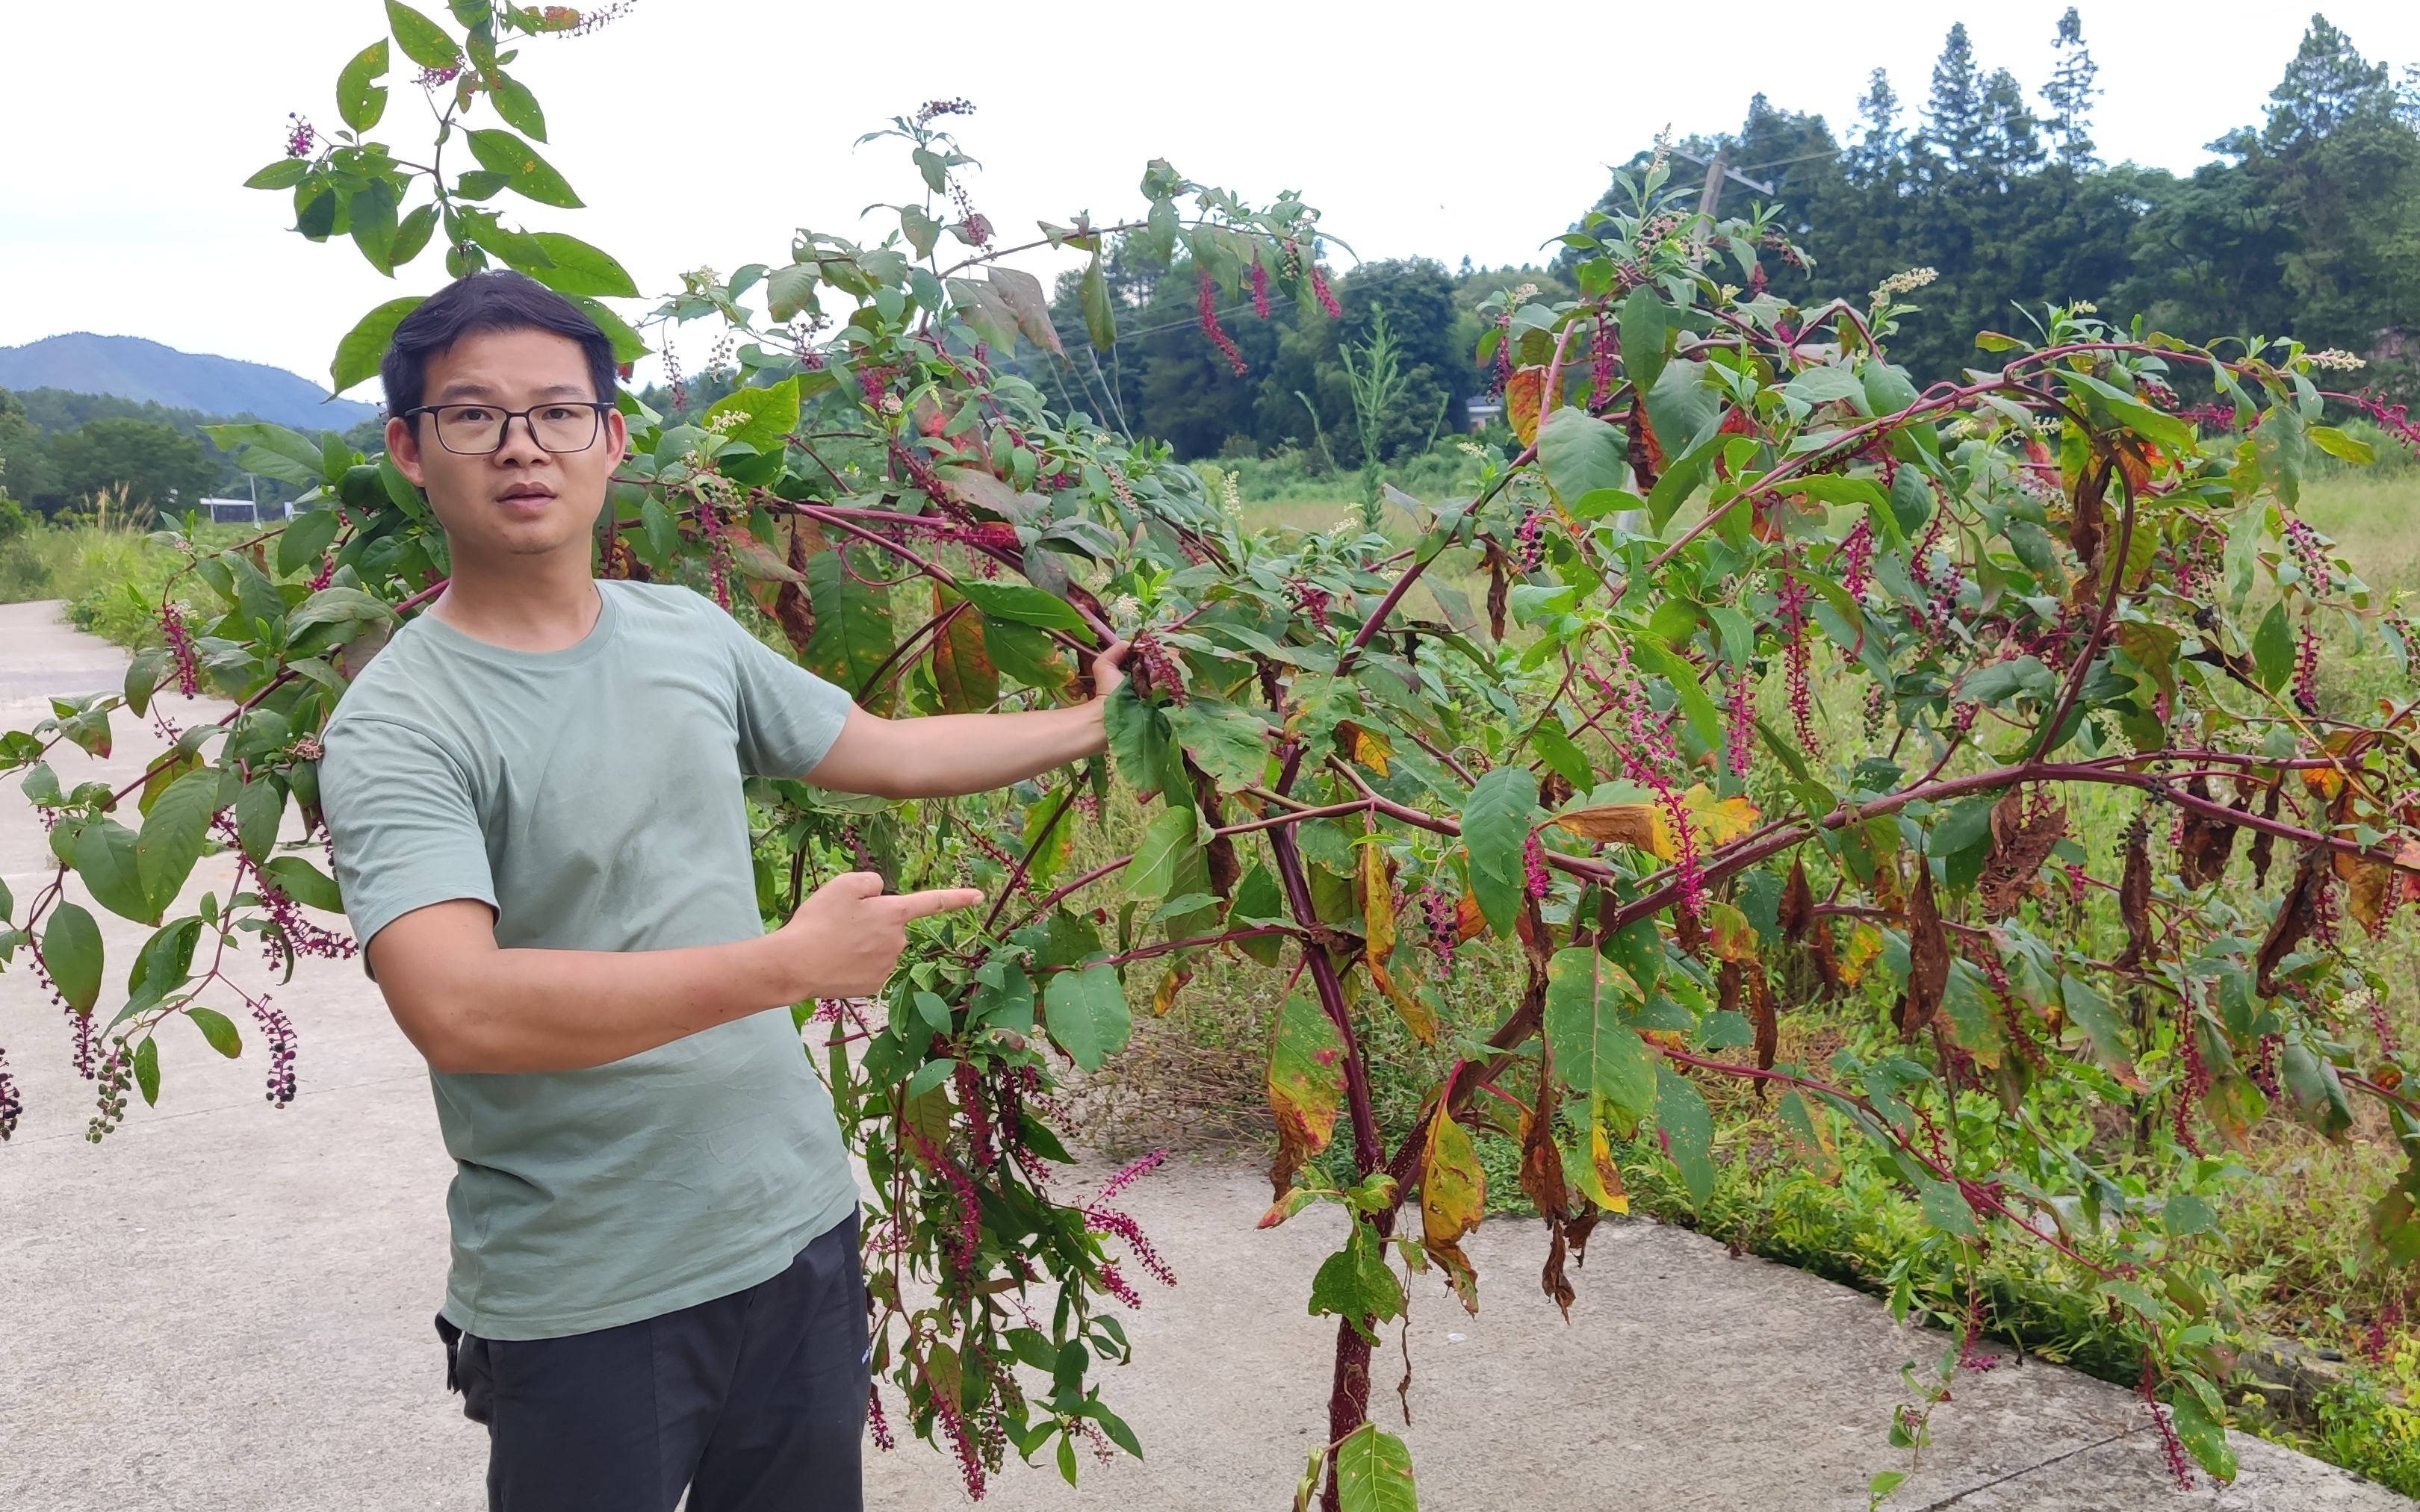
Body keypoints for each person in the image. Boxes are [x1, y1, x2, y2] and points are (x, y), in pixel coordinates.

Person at [317, 270, 1125, 1512]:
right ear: (409, 451)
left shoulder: (683, 630)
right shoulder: (400, 724)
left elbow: (890, 750)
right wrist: (788, 964)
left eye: (558, 412)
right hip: (589, 1287)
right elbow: (459, 1007)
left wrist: (1088, 722)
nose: (522, 445)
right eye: (473, 416)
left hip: (791, 1230)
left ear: (613, 437)